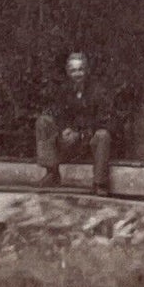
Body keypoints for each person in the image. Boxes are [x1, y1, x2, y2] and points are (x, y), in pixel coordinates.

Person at [36, 51, 112, 196]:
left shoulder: (98, 91)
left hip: (89, 140)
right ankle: (52, 172)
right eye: (73, 70)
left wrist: (81, 133)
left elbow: (105, 120)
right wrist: (64, 129)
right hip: (69, 142)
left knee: (103, 135)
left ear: (87, 70)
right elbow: (57, 113)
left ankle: (100, 183)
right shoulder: (63, 90)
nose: (77, 74)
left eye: (80, 69)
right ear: (68, 72)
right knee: (43, 121)